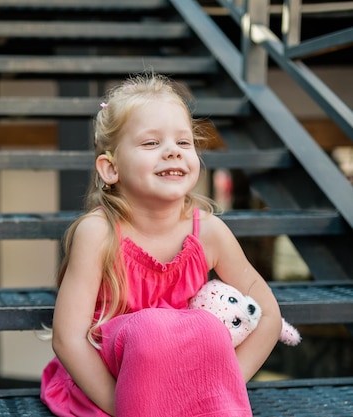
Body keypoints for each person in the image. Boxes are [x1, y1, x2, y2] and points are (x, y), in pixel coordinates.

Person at [40, 73, 282, 417]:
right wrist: (119, 404)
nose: (172, 152)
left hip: (188, 393)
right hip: (108, 390)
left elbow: (268, 313)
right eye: (151, 143)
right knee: (152, 330)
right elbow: (68, 338)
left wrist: (219, 384)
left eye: (184, 143)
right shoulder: (98, 233)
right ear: (111, 168)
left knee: (208, 331)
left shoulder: (209, 232)